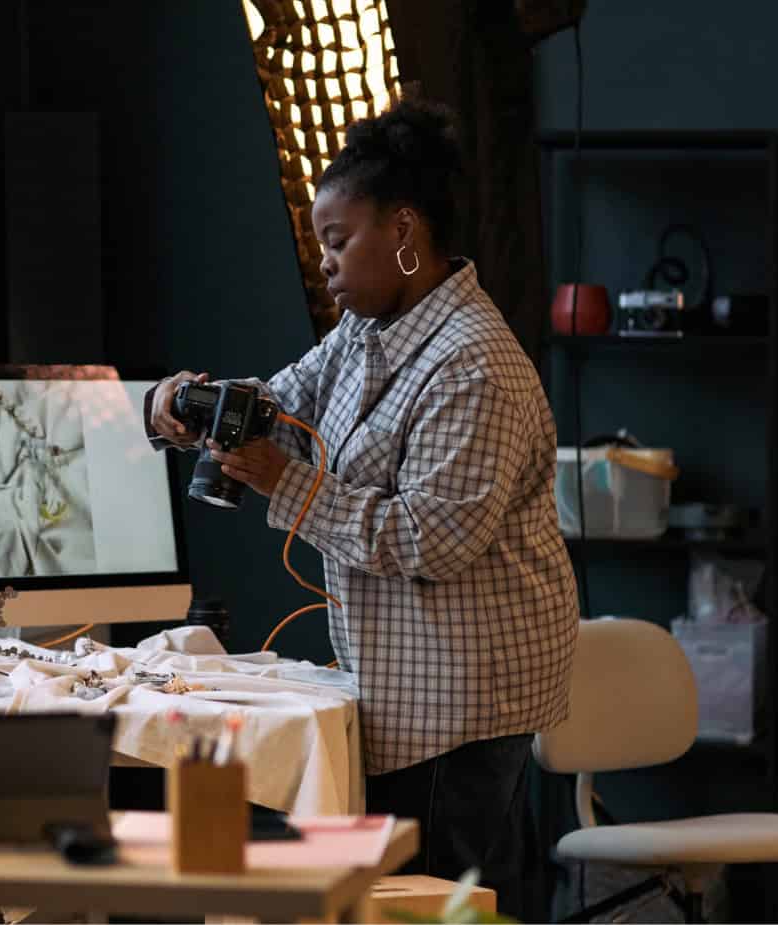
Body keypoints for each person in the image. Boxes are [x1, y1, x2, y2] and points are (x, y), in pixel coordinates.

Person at [148, 99, 577, 916]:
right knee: (393, 898)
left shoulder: (473, 366)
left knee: (440, 903)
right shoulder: (367, 330)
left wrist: (282, 479)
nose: (327, 268)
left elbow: (430, 539)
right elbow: (280, 400)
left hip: (465, 694)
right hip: (400, 682)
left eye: (338, 243)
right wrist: (180, 406)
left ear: (407, 233)